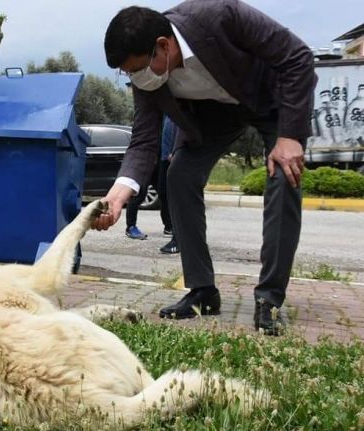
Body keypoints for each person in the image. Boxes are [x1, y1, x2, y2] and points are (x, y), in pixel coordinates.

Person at [96, 0, 317, 336]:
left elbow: (297, 58)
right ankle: (203, 292)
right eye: (127, 74)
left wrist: (289, 136)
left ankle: (269, 298)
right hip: (214, 116)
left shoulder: (220, 16)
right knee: (180, 174)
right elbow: (143, 141)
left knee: (284, 175)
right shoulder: (147, 79)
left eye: (138, 70)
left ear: (164, 46)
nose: (135, 79)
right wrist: (117, 194)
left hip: (269, 98)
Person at [158, 116, 179, 254]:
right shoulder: (166, 111)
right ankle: (170, 227)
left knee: (177, 199)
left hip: (175, 157)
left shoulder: (179, 106)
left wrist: (175, 150)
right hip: (164, 158)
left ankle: (178, 240)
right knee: (163, 192)